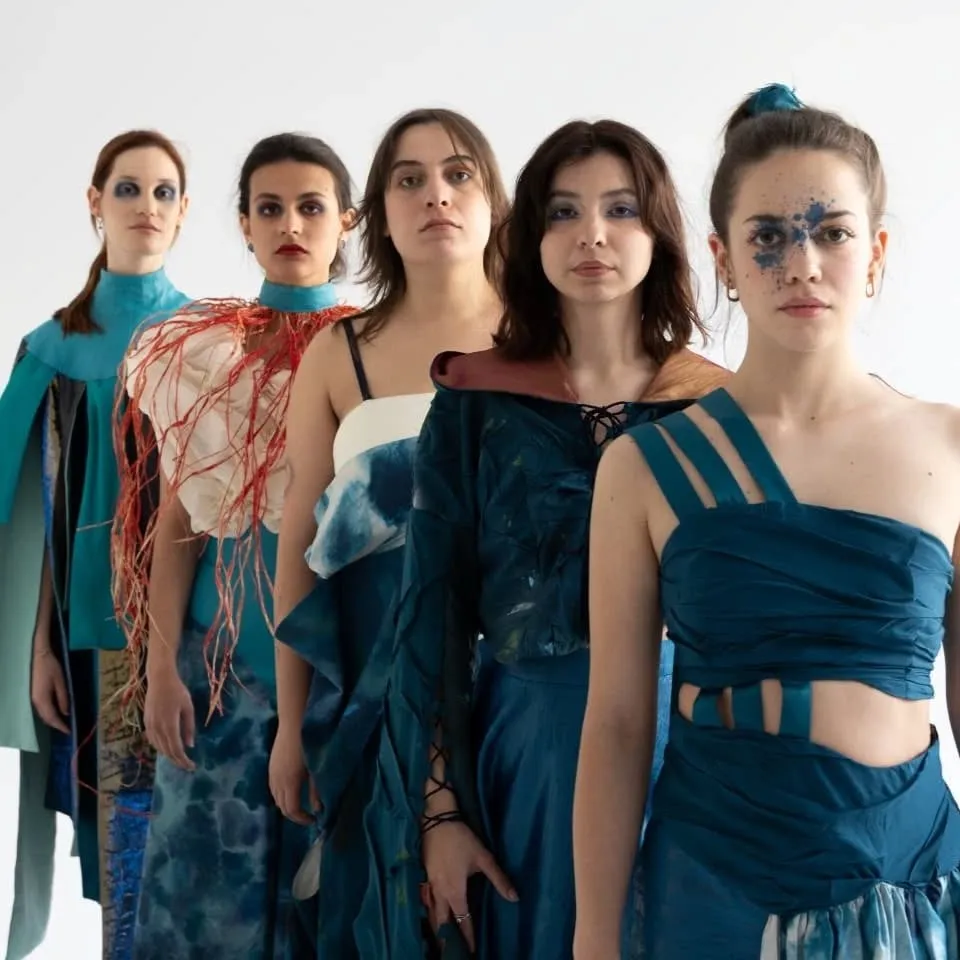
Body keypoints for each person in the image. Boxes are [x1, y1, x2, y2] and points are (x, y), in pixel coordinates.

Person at [573, 83, 960, 960]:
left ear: (877, 251)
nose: (801, 264)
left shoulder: (949, 444)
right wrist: (595, 933)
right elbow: (619, 723)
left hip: (914, 877)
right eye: (769, 237)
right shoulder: (643, 466)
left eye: (832, 233)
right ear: (723, 257)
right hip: (715, 879)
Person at [364, 119, 729, 959]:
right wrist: (441, 813)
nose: (592, 234)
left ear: (660, 233)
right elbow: (433, 614)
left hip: (693, 753)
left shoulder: (718, 411)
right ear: (530, 235)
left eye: (621, 209)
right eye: (564, 212)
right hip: (528, 750)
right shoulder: (474, 400)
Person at [110, 132, 357, 959]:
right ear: (244, 224)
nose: (291, 224)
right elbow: (176, 526)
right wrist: (161, 668)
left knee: (328, 914)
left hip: (338, 677)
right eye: (269, 208)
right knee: (202, 914)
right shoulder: (202, 355)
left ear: (348, 221)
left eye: (311, 206)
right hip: (216, 679)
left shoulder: (374, 354)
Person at [270, 107, 507, 958]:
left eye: (458, 174)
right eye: (410, 179)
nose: (435, 195)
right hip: (373, 689)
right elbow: (298, 547)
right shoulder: (339, 352)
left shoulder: (545, 334)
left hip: (513, 682)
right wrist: (291, 723)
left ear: (493, 200)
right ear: (377, 211)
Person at [0, 129, 190, 960]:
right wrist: (38, 647)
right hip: (95, 643)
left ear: (183, 213)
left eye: (163, 191)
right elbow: (37, 518)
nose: (146, 205)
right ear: (94, 203)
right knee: (122, 854)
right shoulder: (51, 352)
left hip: (202, 640)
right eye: (127, 188)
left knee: (201, 849)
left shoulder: (211, 342)